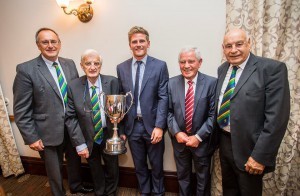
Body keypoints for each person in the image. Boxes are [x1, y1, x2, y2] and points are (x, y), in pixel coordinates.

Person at [13, 27, 92, 196]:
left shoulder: (69, 64)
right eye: (45, 42)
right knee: (54, 170)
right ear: (38, 45)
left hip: (71, 126)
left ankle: (76, 186)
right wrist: (31, 137)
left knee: (74, 162)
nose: (50, 45)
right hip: (46, 130)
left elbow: (76, 93)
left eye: (53, 41)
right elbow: (21, 108)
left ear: (59, 43)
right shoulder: (26, 69)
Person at [215, 28, 290, 196]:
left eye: (239, 44)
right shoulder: (222, 70)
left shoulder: (271, 69)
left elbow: (277, 118)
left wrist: (260, 156)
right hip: (225, 142)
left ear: (249, 43)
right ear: (223, 48)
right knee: (230, 190)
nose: (233, 50)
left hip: (251, 148)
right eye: (228, 46)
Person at [117, 26, 169, 196]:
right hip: (132, 127)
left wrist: (160, 126)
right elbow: (122, 99)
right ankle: (145, 192)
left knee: (157, 165)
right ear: (129, 45)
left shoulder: (160, 66)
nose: (138, 44)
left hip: (153, 126)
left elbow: (163, 97)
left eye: (141, 41)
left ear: (148, 43)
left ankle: (158, 193)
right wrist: (122, 129)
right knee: (139, 166)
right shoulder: (121, 68)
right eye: (134, 42)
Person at [65, 49, 121, 196]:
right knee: (94, 168)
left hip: (108, 134)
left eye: (96, 63)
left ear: (100, 65)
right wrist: (79, 143)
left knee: (112, 167)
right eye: (88, 63)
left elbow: (122, 108)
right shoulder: (73, 86)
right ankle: (99, 192)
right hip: (88, 136)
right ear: (82, 66)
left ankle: (111, 193)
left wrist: (121, 130)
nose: (92, 67)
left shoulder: (113, 81)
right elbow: (70, 117)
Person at [168, 46, 217, 196]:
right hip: (180, 142)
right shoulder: (171, 83)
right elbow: (168, 112)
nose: (186, 65)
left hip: (202, 141)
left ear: (200, 62)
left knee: (202, 178)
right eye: (182, 62)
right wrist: (176, 132)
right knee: (183, 177)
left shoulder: (212, 83)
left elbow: (213, 115)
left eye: (191, 61)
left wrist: (198, 137)